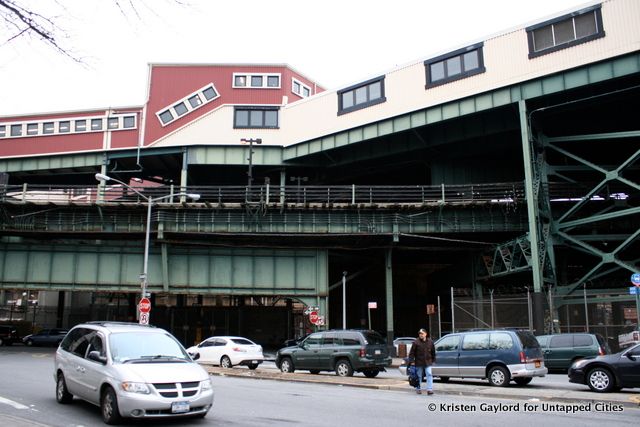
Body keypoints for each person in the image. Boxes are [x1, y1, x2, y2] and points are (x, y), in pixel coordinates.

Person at [408, 328, 436, 395]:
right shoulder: (416, 342)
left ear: (426, 334)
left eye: (422, 333)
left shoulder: (430, 342)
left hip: (428, 362)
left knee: (429, 374)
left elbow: (433, 352)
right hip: (419, 362)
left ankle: (429, 390)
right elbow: (411, 353)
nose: (421, 335)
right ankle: (418, 389)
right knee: (419, 376)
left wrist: (433, 360)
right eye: (420, 334)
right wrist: (412, 361)